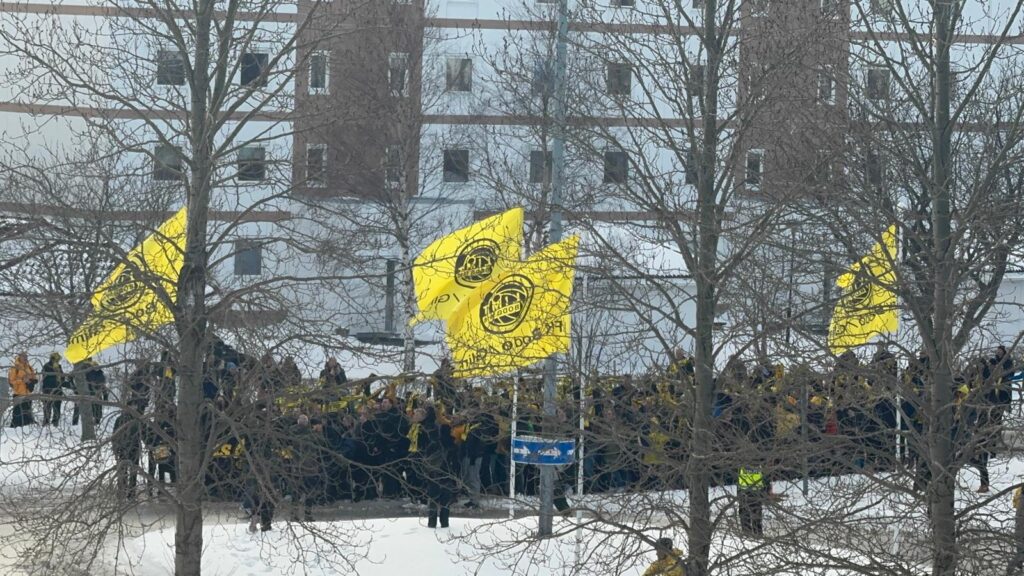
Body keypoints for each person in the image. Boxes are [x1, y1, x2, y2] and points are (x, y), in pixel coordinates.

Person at [417, 404, 457, 529]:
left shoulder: (426, 428)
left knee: (433, 497)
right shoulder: (445, 430)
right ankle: (444, 523)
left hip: (433, 467)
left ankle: (432, 522)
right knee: (444, 497)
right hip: (445, 467)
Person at [112, 410, 142, 500]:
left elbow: (141, 434)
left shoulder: (136, 420)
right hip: (125, 449)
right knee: (125, 471)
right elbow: (115, 435)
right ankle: (124, 491)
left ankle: (129, 492)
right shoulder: (121, 420)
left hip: (132, 449)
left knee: (130, 472)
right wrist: (116, 448)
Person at [8, 352, 37, 427]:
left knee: (27, 414)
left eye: (26, 356)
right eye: (23, 356)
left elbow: (35, 379)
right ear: (19, 357)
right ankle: (14, 429)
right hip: (18, 394)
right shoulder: (15, 368)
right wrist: (22, 381)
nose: (25, 358)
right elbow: (11, 381)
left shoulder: (29, 367)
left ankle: (27, 428)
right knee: (17, 414)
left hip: (28, 394)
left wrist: (30, 381)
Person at [41, 353, 67, 427]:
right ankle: (46, 422)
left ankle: (55, 422)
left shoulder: (59, 367)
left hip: (58, 389)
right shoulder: (46, 366)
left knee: (57, 407)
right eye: (57, 359)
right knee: (47, 406)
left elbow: (62, 378)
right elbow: (45, 377)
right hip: (48, 389)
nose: (58, 361)